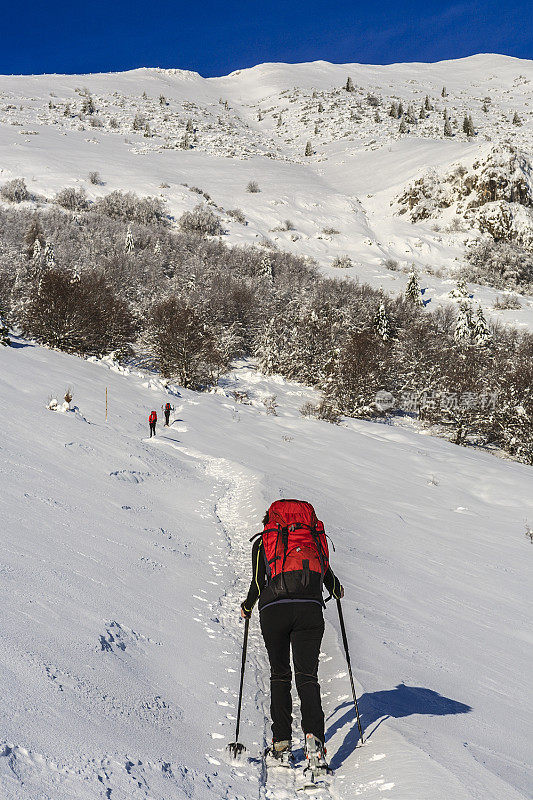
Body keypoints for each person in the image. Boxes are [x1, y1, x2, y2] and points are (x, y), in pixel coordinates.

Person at [241, 499, 343, 770]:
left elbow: (257, 585)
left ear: (270, 522)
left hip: (275, 610)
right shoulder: (311, 541)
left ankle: (281, 744)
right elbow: (331, 582)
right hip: (309, 609)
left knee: (280, 674)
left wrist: (247, 607)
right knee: (308, 677)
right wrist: (335, 590)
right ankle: (315, 744)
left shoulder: (265, 542)